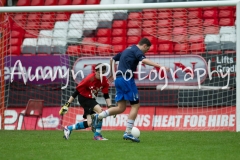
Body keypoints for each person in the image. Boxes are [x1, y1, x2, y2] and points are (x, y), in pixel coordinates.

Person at [92, 38, 170, 142]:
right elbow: (144, 60)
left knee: (120, 108)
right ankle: (128, 132)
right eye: (147, 49)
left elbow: (112, 59)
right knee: (136, 105)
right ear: (145, 45)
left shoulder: (127, 49)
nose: (146, 52)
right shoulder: (137, 50)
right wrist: (160, 66)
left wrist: (112, 73)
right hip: (127, 79)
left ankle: (99, 116)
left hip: (118, 79)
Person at [59, 63, 113, 140]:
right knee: (101, 112)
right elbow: (76, 92)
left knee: (89, 123)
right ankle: (97, 135)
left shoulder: (104, 81)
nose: (100, 75)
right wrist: (67, 104)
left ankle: (69, 128)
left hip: (91, 99)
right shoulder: (89, 79)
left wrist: (110, 107)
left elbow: (106, 95)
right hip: (83, 98)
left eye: (103, 73)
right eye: (99, 72)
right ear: (95, 71)